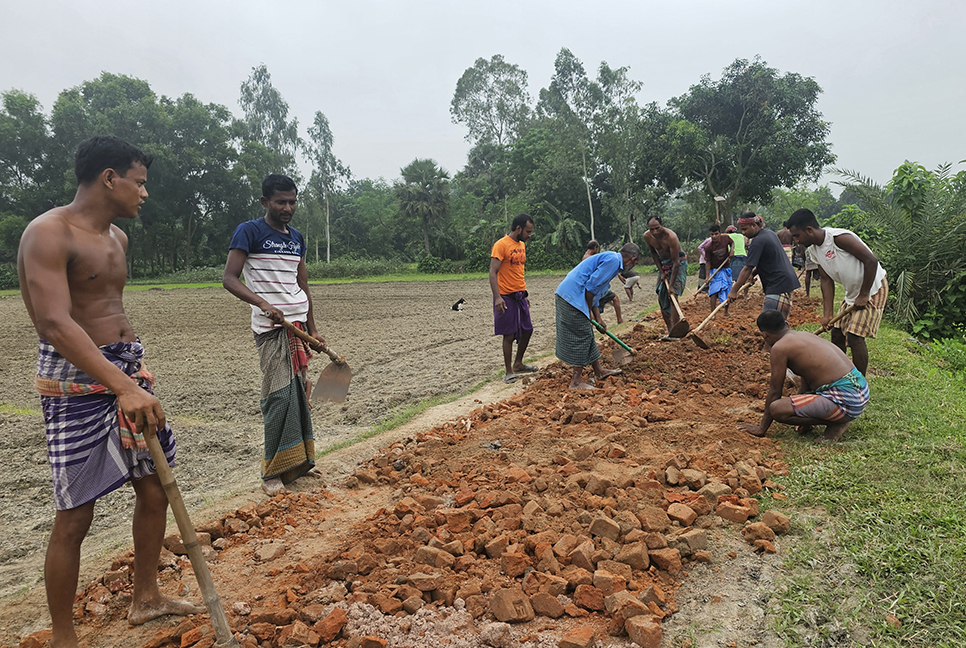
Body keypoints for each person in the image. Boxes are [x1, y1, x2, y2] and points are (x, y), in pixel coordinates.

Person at [17, 136, 200, 647]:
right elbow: (54, 322)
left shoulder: (118, 237)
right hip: (77, 381)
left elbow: (108, 310)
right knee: (75, 511)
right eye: (139, 182)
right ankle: (63, 635)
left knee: (153, 487)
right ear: (109, 178)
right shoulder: (48, 234)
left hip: (125, 373)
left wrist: (131, 373)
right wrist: (120, 386)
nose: (144, 193)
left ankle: (146, 598)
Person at [223, 174, 321, 496]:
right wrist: (263, 304)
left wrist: (314, 328)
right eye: (281, 201)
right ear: (265, 202)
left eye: (292, 201)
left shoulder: (296, 238)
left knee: (300, 395)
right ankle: (271, 473)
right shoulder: (249, 232)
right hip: (272, 330)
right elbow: (230, 279)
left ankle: (299, 462)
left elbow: (303, 284)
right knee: (279, 398)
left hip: (298, 329)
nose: (287, 207)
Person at [785, 208, 888, 376]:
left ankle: (859, 385)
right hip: (852, 293)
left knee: (854, 336)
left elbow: (871, 260)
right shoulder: (814, 251)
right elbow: (826, 280)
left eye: (797, 236)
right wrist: (828, 314)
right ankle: (839, 375)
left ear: (809, 230)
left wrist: (863, 295)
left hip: (873, 288)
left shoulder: (838, 238)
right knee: (837, 333)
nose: (796, 240)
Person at [739, 310, 869, 442]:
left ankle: (837, 423)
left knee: (776, 409)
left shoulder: (779, 348)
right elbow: (807, 379)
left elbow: (775, 391)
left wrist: (761, 428)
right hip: (861, 392)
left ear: (765, 335)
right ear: (787, 324)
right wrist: (805, 417)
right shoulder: (804, 335)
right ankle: (837, 417)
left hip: (846, 401)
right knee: (792, 403)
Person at [555, 243, 641, 389]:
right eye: (635, 263)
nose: (632, 267)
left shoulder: (613, 261)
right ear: (632, 259)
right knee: (581, 334)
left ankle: (599, 371)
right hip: (571, 296)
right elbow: (591, 287)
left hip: (575, 296)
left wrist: (598, 318)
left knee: (588, 333)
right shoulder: (613, 261)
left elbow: (595, 290)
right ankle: (576, 382)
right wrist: (588, 312)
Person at [490, 214, 537, 383]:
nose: (529, 235)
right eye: (528, 231)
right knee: (508, 334)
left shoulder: (522, 245)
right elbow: (492, 272)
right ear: (518, 228)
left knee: (527, 330)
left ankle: (518, 364)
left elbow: (518, 271)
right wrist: (497, 297)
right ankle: (509, 371)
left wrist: (524, 293)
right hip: (505, 296)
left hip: (519, 295)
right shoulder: (501, 245)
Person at [727, 212, 800, 318]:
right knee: (779, 323)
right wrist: (753, 273)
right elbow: (767, 259)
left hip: (778, 285)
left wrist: (734, 291)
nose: (743, 233)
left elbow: (747, 268)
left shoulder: (758, 241)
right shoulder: (769, 234)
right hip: (784, 282)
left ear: (754, 225)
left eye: (745, 229)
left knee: (769, 323)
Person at [643, 216, 687, 336]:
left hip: (678, 263)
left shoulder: (671, 237)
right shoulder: (647, 236)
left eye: (657, 228)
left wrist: (671, 285)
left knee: (673, 296)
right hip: (663, 264)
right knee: (661, 295)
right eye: (651, 229)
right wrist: (661, 272)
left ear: (662, 225)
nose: (655, 232)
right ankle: (669, 329)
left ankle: (676, 331)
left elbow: (676, 263)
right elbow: (654, 254)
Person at [582, 239, 623, 323]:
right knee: (615, 298)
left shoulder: (585, 256)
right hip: (593, 287)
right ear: (595, 247)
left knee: (592, 310)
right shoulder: (590, 258)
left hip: (591, 287)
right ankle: (620, 320)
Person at [705, 224, 735, 315]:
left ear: (720, 233)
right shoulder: (709, 247)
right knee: (714, 291)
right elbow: (708, 262)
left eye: (716, 234)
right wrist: (707, 276)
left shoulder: (726, 238)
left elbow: (732, 242)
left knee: (727, 290)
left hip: (725, 268)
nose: (714, 236)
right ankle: (713, 313)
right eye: (712, 234)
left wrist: (732, 250)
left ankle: (726, 311)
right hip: (715, 270)